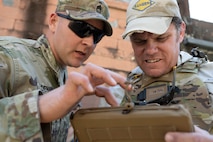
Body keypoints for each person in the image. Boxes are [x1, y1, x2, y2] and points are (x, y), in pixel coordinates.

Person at [0, 0, 128, 141]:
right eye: (81, 28)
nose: (89, 42)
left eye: (97, 35)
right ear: (54, 22)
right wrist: (38, 108)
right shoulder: (7, 56)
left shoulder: (65, 77)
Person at [106, 0, 213, 141]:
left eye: (161, 38)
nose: (150, 51)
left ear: (180, 32)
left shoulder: (209, 78)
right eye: (140, 41)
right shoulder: (121, 91)